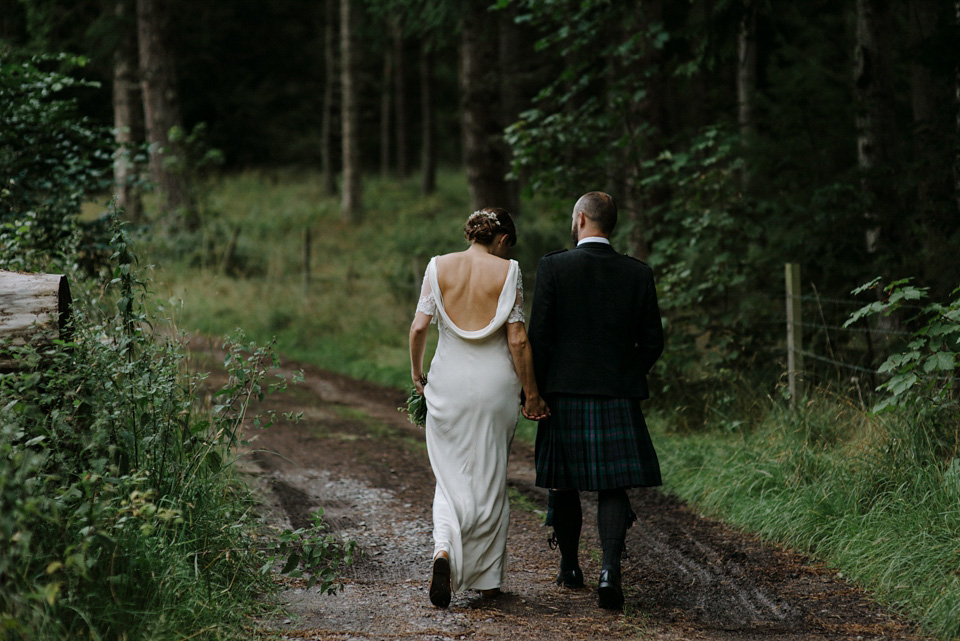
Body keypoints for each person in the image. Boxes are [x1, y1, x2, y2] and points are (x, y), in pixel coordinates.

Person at [528, 191, 664, 611]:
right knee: (612, 484)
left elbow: (538, 339)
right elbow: (654, 342)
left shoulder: (553, 266)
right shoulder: (637, 273)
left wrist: (533, 392)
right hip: (616, 395)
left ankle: (570, 566)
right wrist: (625, 372)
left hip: (563, 394)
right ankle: (609, 571)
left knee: (564, 482)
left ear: (581, 219)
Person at [409, 208, 550, 609]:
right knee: (489, 478)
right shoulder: (508, 271)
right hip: (495, 388)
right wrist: (533, 393)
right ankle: (488, 581)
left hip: (447, 384)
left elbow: (419, 328)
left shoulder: (438, 267)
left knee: (449, 477)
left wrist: (418, 376)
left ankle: (443, 553)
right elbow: (518, 340)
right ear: (500, 238)